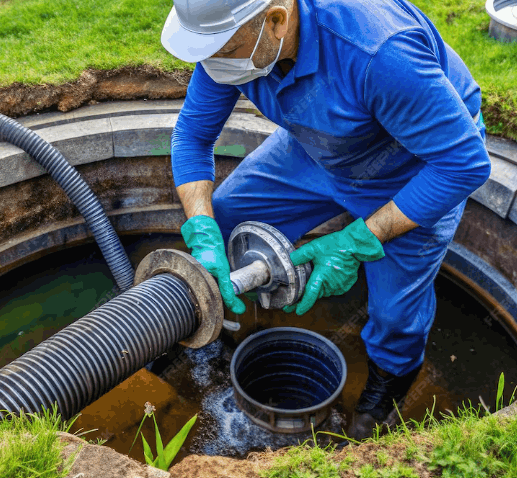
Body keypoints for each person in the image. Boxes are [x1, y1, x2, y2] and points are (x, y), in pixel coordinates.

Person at [160, 0, 490, 438]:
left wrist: (355, 242)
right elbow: (192, 135)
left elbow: (463, 164)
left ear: (276, 21)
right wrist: (201, 227)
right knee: (225, 215)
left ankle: (386, 388)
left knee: (395, 315)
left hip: (414, 163)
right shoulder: (234, 49)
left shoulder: (378, 52)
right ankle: (215, 331)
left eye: (220, 49)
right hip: (323, 148)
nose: (209, 64)